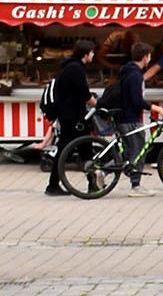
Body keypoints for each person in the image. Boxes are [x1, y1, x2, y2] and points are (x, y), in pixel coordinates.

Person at [42, 39, 94, 196]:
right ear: (85, 54)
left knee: (66, 150)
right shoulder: (76, 69)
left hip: (68, 116)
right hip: (74, 118)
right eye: (92, 52)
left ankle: (53, 185)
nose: (93, 55)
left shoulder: (69, 67)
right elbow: (85, 94)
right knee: (84, 150)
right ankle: (93, 185)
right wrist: (98, 104)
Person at [95, 39, 151, 187]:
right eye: (149, 56)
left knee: (128, 152)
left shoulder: (127, 71)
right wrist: (157, 109)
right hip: (130, 119)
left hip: (122, 117)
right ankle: (136, 186)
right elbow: (137, 100)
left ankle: (103, 172)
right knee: (139, 151)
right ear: (145, 57)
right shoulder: (135, 75)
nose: (149, 59)